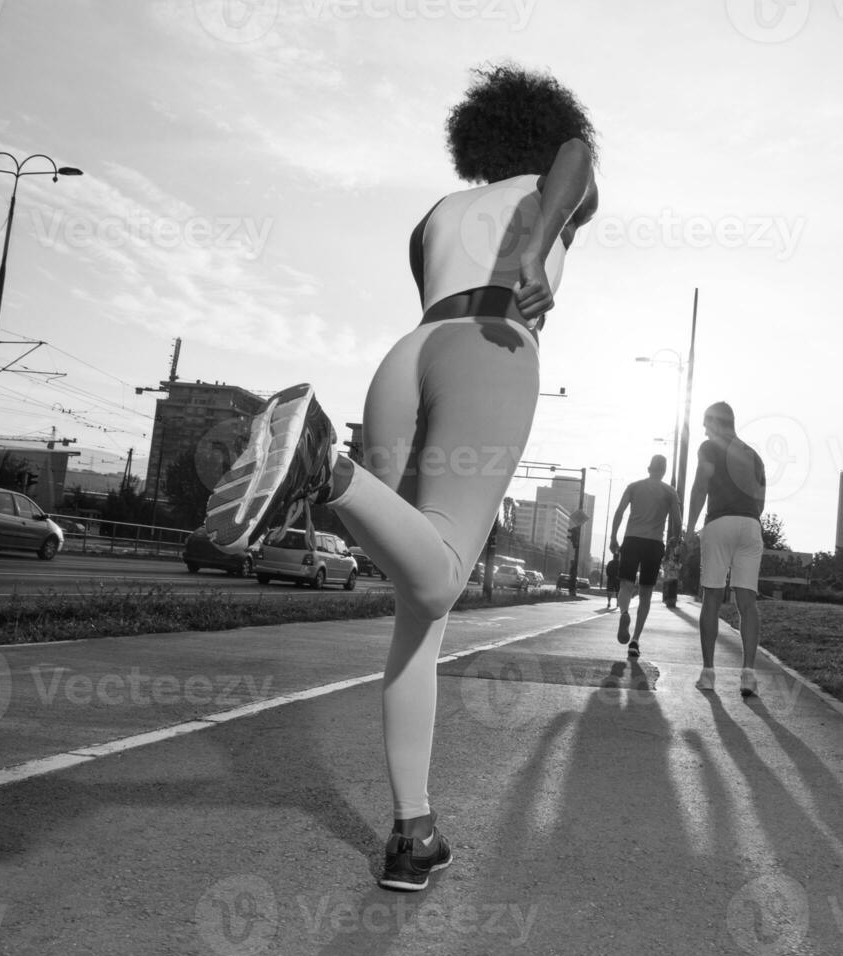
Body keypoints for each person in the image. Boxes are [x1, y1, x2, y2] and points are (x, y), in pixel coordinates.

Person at [203, 63, 598, 891]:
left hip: (406, 356)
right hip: (489, 346)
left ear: (477, 139)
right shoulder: (553, 176)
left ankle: (412, 833)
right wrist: (536, 243)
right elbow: (577, 157)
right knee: (444, 572)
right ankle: (322, 465)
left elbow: (433, 291)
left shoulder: (436, 213)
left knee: (418, 607)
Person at [684, 402, 766, 697]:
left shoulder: (710, 448)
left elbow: (700, 486)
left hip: (720, 522)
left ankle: (708, 674)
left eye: (707, 425)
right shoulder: (754, 455)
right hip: (751, 525)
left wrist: (689, 528)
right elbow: (760, 500)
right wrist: (749, 520)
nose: (705, 431)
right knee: (747, 601)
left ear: (716, 423)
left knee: (712, 598)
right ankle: (749, 675)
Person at [608, 454, 682, 656]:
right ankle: (635, 641)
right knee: (646, 593)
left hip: (632, 539)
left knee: (626, 585)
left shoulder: (634, 486)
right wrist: (675, 542)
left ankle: (624, 613)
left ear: (649, 468)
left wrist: (614, 537)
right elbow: (677, 521)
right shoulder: (670, 492)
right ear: (664, 471)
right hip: (654, 543)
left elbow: (619, 512)